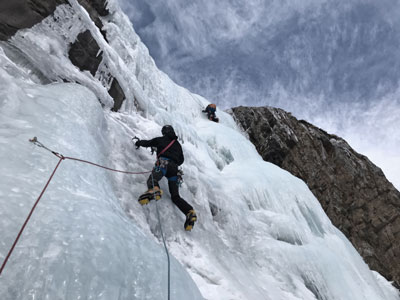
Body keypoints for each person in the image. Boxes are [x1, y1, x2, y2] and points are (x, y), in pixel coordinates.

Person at [135, 125, 197, 231]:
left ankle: (154, 190)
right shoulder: (178, 145)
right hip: (174, 171)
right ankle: (189, 212)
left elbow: (148, 143)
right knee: (175, 197)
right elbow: (181, 160)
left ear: (164, 132)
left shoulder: (161, 139)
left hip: (163, 164)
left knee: (152, 180)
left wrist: (138, 142)